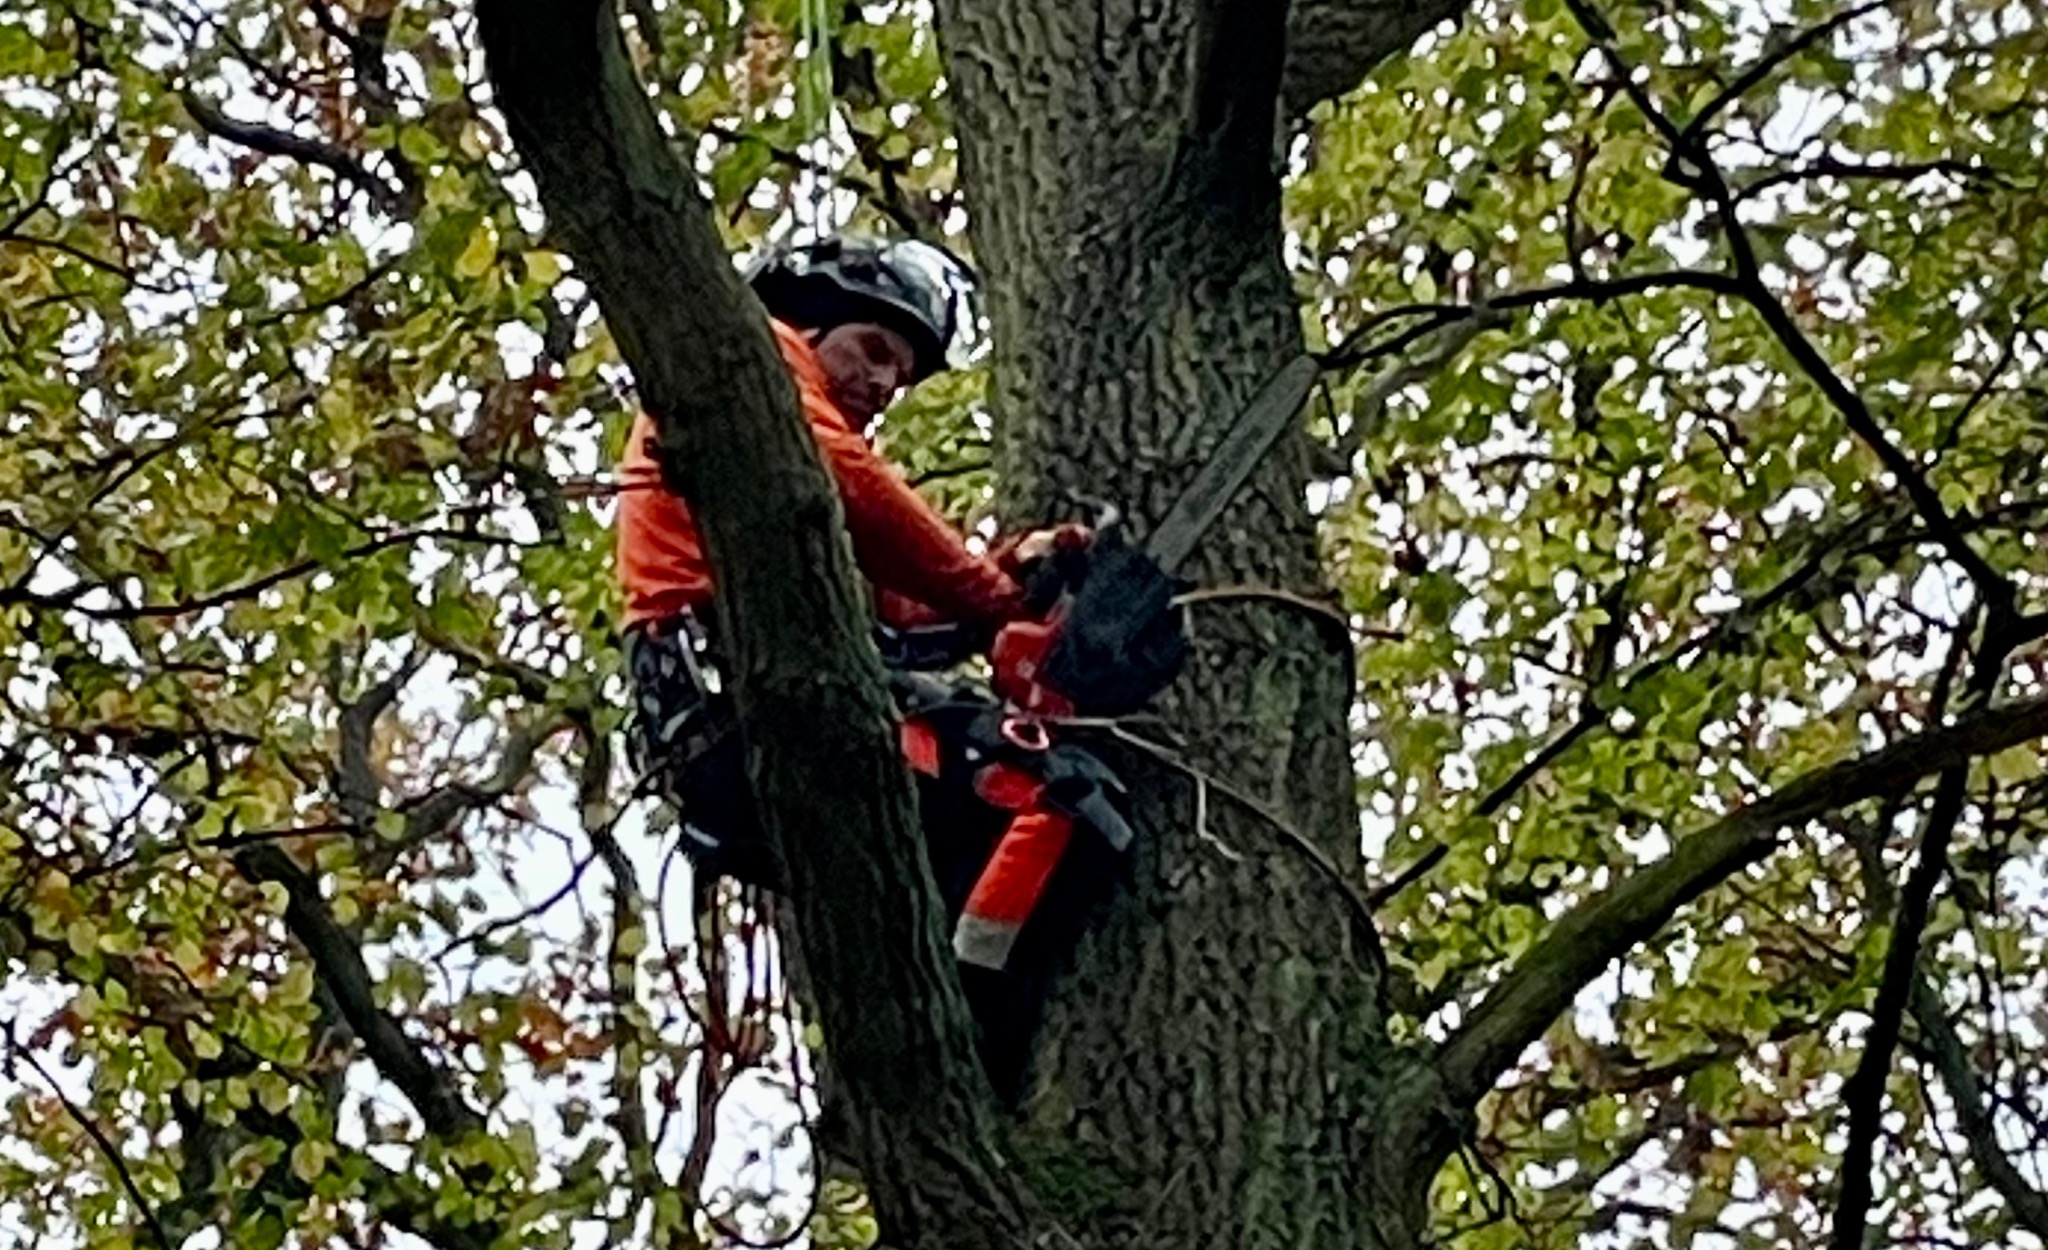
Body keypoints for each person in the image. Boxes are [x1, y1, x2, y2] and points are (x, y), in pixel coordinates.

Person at [616, 236, 1045, 892]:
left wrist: (1023, 578)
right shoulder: (756, 359)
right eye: (873, 350)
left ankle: (979, 979)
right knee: (1039, 784)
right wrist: (994, 596)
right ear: (810, 321)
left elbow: (900, 618)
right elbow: (861, 485)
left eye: (898, 379)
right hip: (732, 692)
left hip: (738, 719)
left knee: (994, 827)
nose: (881, 384)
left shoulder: (807, 513)